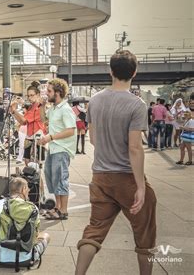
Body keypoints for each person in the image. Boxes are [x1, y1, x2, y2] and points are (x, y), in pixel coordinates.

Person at [75, 50, 157, 275]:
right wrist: (140, 187)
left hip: (100, 177)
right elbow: (134, 148)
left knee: (94, 231)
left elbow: (93, 139)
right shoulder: (137, 105)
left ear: (110, 71)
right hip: (126, 178)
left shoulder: (95, 101)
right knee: (145, 235)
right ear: (135, 72)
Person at [0, 177, 50, 267]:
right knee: (46, 235)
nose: (29, 190)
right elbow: (36, 235)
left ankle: (3, 252)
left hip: (0, 258)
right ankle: (31, 255)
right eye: (28, 188)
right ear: (24, 189)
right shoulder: (33, 208)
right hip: (27, 259)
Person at [37, 79, 76, 220]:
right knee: (52, 178)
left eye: (49, 91)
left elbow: (71, 130)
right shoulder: (53, 108)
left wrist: (50, 137)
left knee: (60, 179)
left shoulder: (65, 109)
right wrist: (42, 106)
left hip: (62, 148)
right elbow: (44, 121)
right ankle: (58, 208)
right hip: (53, 148)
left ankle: (63, 210)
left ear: (58, 93)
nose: (46, 94)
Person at [11, 81, 47, 167]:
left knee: (39, 163)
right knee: (26, 159)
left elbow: (23, 120)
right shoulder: (31, 106)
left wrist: (14, 110)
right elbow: (22, 122)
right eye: (28, 96)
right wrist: (13, 111)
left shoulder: (39, 106)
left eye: (32, 95)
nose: (29, 98)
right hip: (30, 134)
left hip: (38, 134)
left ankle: (38, 179)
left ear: (38, 95)